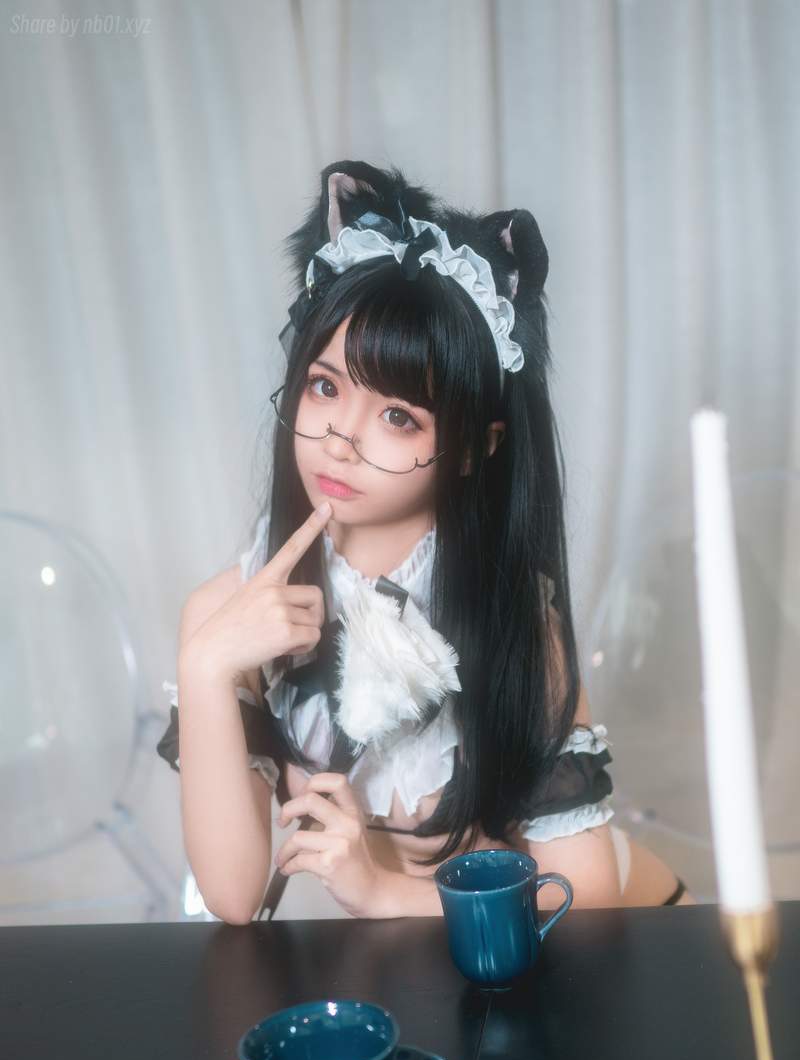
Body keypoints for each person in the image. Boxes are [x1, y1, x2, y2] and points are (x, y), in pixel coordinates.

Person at [157, 159, 696, 924]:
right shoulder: (228, 615)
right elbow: (235, 899)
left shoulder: (512, 619)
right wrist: (205, 665)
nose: (341, 437)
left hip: (622, 940)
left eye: (398, 415)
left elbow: (585, 901)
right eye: (325, 386)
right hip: (437, 958)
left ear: (476, 446)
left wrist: (380, 892)